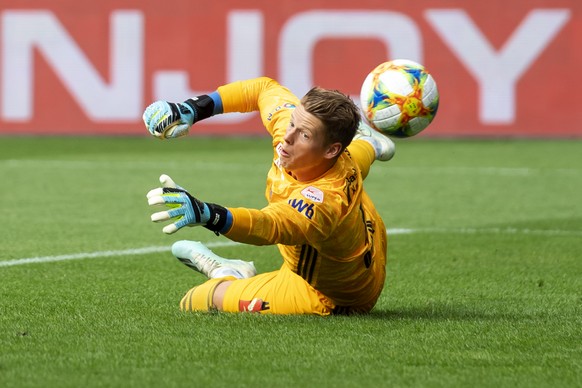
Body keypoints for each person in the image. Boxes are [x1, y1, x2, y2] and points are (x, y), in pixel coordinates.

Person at [143, 77, 395, 315]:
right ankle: (369, 143)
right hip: (362, 240)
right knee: (354, 161)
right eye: (293, 123)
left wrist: (207, 214)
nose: (287, 137)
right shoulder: (311, 142)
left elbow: (269, 225)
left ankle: (230, 273)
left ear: (332, 149)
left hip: (330, 294)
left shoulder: (323, 202)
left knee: (196, 300)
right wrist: (191, 109)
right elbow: (263, 89)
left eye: (304, 135)